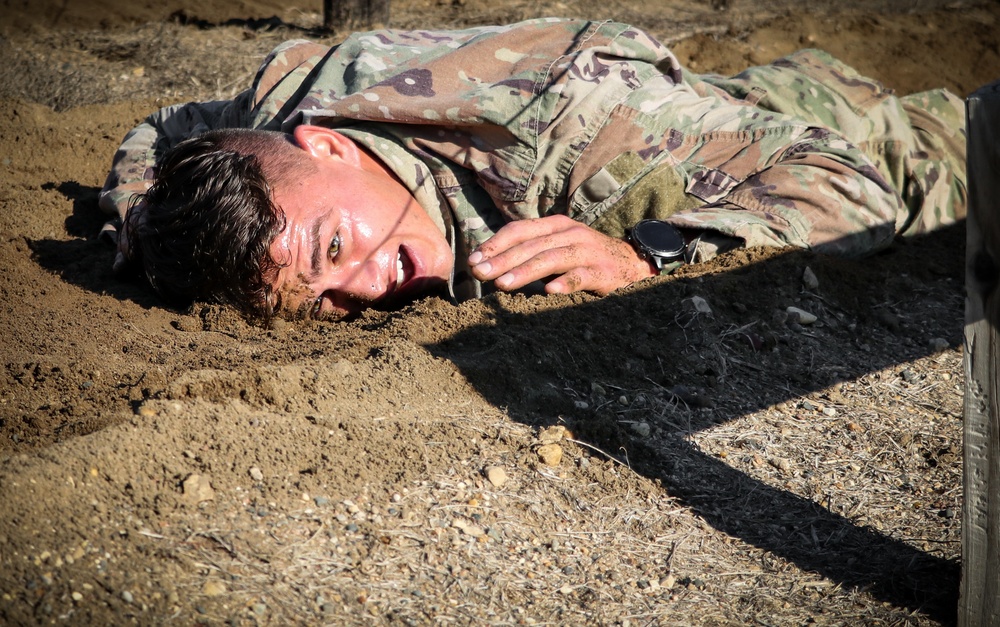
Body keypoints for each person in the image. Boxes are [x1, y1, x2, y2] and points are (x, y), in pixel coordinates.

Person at [99, 17, 967, 321]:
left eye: (335, 248)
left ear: (329, 145)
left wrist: (647, 258)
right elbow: (164, 130)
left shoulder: (572, 134)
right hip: (726, 111)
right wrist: (145, 228)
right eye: (318, 302)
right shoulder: (288, 118)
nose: (362, 290)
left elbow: (849, 187)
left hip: (900, 144)